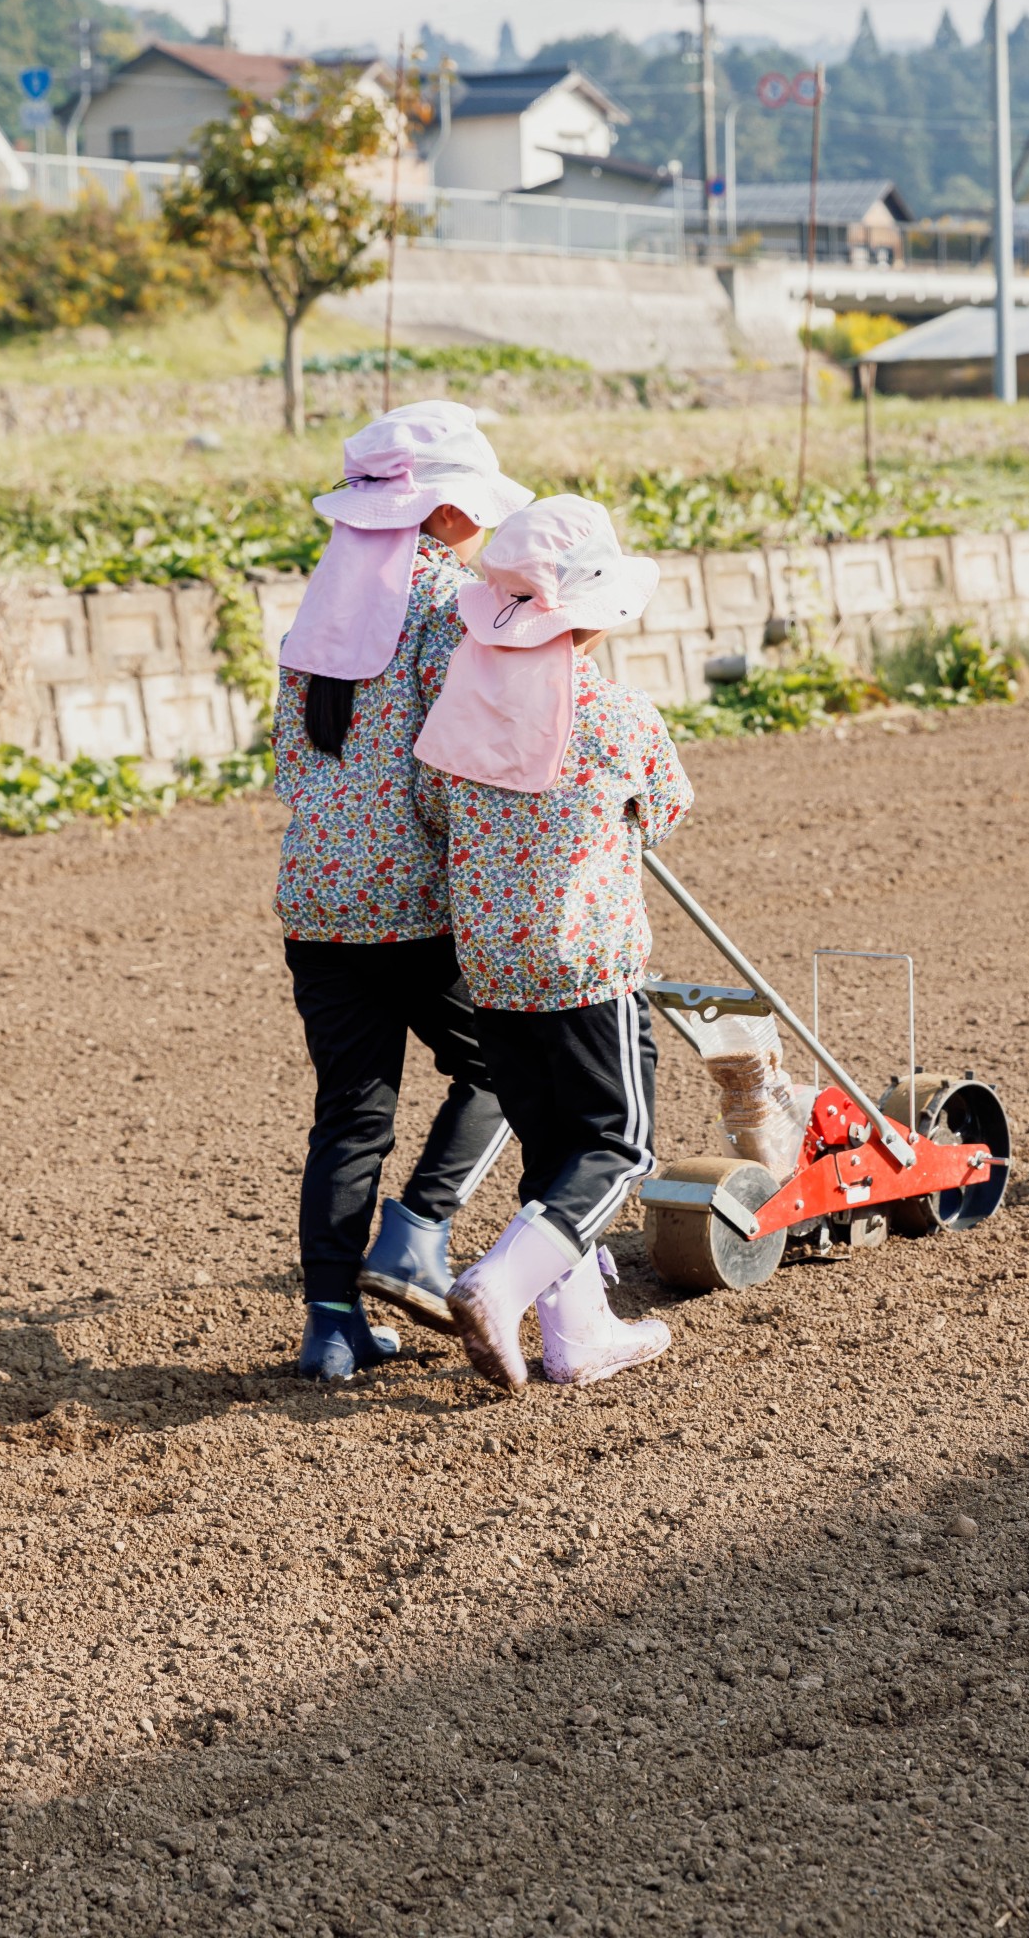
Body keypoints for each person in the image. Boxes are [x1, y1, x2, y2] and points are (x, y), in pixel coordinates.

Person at [274, 400, 533, 1380]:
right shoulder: (442, 606)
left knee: (349, 1111)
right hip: (416, 903)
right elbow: (445, 766)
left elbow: (292, 762)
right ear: (448, 513)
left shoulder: (318, 608)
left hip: (316, 898)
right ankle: (418, 1228)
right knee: (509, 1066)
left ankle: (332, 1326)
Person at [414, 495, 693, 1391]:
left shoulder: (456, 721)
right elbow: (668, 812)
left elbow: (433, 812)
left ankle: (579, 1334)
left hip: (491, 966)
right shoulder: (621, 719)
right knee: (618, 1147)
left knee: (554, 1151)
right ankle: (498, 1283)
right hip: (586, 965)